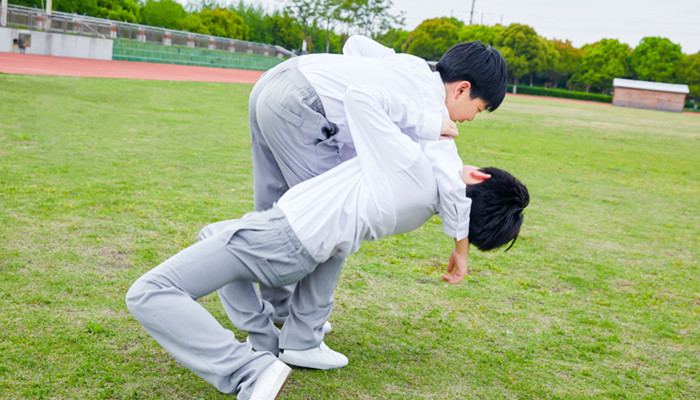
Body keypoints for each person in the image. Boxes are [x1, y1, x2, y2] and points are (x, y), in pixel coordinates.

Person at [125, 84, 529, 399]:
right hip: (289, 244)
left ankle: (247, 370)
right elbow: (446, 176)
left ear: (477, 178)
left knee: (149, 292)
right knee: (213, 234)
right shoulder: (422, 203)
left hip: (280, 238)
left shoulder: (410, 165)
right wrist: (459, 247)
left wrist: (430, 118)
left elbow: (362, 95)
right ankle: (264, 339)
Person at [245, 35, 508, 363]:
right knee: (332, 221)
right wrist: (460, 248)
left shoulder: (409, 66)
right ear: (461, 89)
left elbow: (355, 44)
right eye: (478, 110)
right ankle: (302, 339)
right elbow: (452, 185)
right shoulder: (433, 112)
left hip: (274, 81)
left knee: (275, 204)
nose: (469, 119)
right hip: (302, 107)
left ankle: (280, 312)